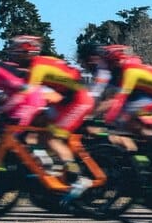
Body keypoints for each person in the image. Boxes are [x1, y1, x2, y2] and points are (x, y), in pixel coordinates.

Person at [15, 35, 95, 184]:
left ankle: (76, 177)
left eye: (17, 51)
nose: (13, 54)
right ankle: (49, 166)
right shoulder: (38, 63)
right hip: (67, 98)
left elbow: (26, 95)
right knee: (37, 123)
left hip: (78, 100)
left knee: (51, 137)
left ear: (28, 53)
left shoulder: (36, 67)